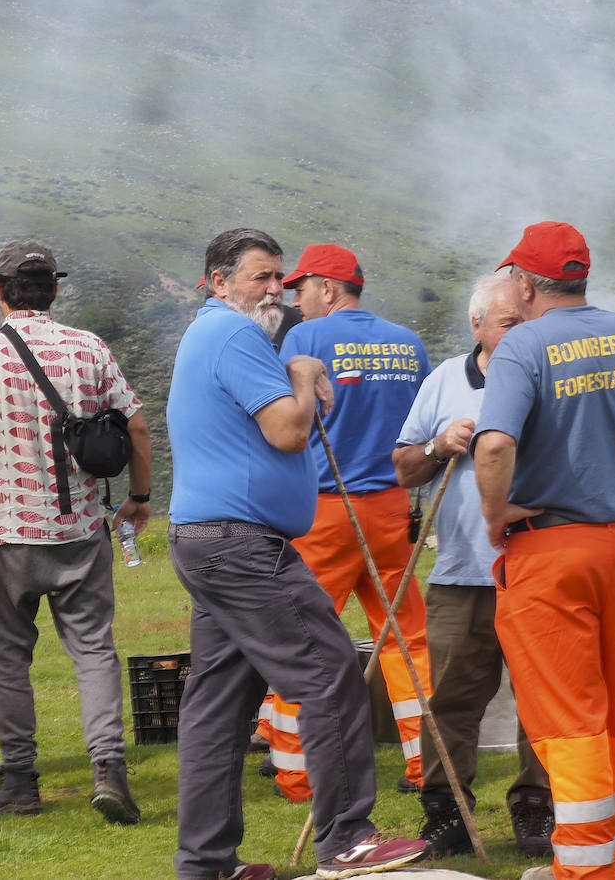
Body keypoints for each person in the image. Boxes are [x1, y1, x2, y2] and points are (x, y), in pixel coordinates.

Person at [166, 228, 430, 880]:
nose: (274, 289)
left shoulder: (215, 335)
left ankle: (206, 863)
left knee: (218, 706)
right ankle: (348, 840)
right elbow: (288, 430)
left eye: (279, 277)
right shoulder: (235, 333)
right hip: (242, 544)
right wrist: (306, 374)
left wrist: (294, 368)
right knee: (331, 670)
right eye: (261, 276)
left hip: (208, 539)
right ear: (219, 282)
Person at [472, 221, 615, 880]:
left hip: (552, 551)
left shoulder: (523, 347)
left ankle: (586, 869)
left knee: (569, 718)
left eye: (512, 275)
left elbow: (494, 445)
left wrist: (494, 515)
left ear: (526, 283)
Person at [0, 239, 152, 825]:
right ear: (54, 289)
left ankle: (20, 781)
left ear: (1, 291)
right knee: (93, 652)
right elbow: (135, 424)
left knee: (9, 660)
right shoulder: (89, 349)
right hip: (80, 530)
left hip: (4, 534)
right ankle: (109, 769)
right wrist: (138, 497)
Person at [391, 268, 553, 858]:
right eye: (510, 322)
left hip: (539, 565)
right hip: (463, 574)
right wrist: (439, 445)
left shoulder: (552, 372)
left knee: (543, 696)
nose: (522, 331)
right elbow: (403, 467)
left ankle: (538, 808)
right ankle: (448, 814)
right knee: (454, 699)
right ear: (477, 324)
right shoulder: (442, 381)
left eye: (527, 319)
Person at [264, 243, 433, 802]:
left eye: (301, 289)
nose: (295, 300)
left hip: (325, 512)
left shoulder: (305, 340)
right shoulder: (408, 342)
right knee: (407, 639)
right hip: (392, 509)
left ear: (328, 289)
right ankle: (425, 763)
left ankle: (295, 772)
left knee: (302, 639)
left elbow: (285, 420)